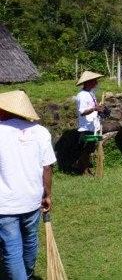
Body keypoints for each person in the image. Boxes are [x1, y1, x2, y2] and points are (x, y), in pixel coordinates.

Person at [0, 90, 56, 280]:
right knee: (30, 240)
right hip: (32, 199)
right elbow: (47, 168)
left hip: (5, 204)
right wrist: (47, 194)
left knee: (12, 247)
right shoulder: (40, 132)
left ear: (4, 111)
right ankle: (28, 275)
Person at [74, 70, 106, 175]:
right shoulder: (81, 95)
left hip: (93, 125)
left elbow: (93, 107)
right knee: (86, 149)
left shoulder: (91, 93)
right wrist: (94, 109)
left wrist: (98, 108)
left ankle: (84, 168)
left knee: (90, 148)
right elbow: (82, 112)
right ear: (88, 82)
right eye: (94, 81)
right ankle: (82, 169)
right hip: (86, 127)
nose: (96, 83)